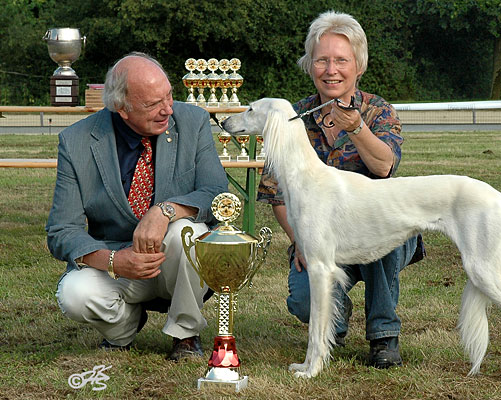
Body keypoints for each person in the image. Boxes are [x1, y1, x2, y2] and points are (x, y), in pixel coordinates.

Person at [257, 11, 424, 368]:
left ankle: (383, 336)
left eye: (341, 61)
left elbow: (384, 166)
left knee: (380, 233)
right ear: (310, 65)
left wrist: (356, 127)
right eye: (322, 60)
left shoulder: (378, 111)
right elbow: (277, 195)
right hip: (318, 237)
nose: (331, 69)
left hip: (381, 229)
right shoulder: (291, 118)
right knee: (302, 301)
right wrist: (299, 240)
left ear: (358, 66)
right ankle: (334, 322)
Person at [46, 52, 229, 361]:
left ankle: (185, 334)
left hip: (177, 261)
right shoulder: (76, 141)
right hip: (118, 264)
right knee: (73, 293)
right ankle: (124, 328)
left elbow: (216, 194)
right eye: (152, 105)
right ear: (122, 108)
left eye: (169, 96)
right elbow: (62, 230)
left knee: (188, 230)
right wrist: (114, 260)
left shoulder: (193, 121)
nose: (167, 110)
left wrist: (165, 211)